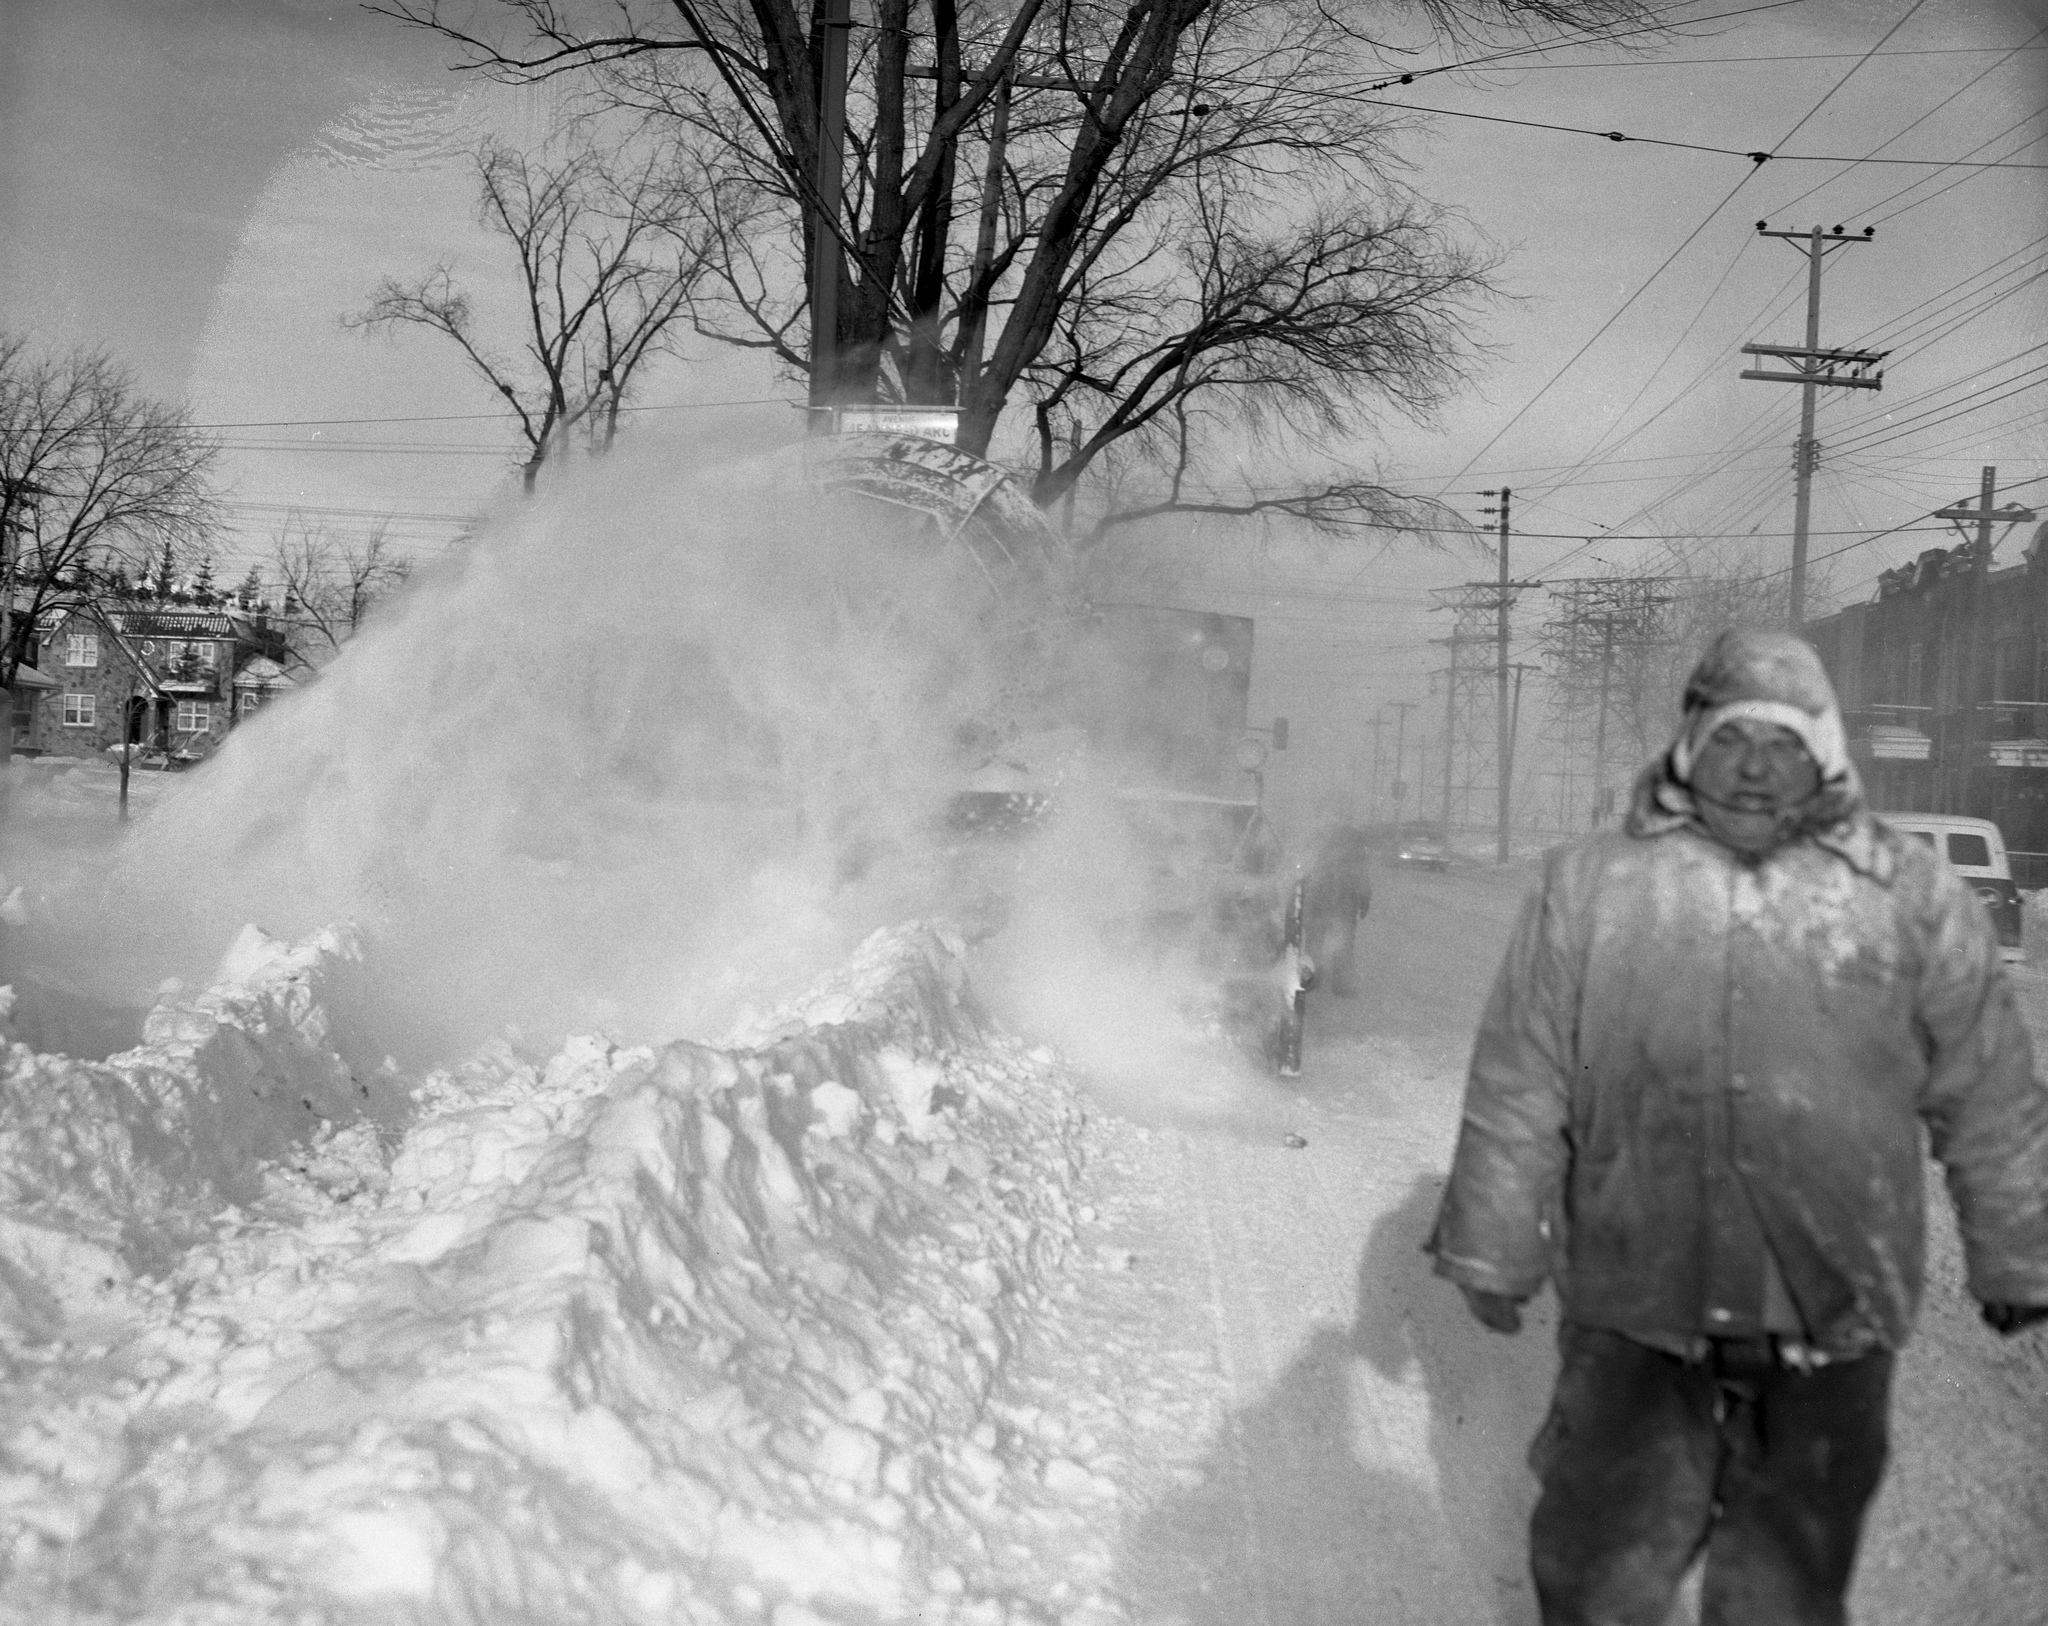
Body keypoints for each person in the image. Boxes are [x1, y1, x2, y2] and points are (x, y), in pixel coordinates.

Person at [1426, 627, 2048, 1626]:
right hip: (1638, 1303)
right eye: (1729, 738)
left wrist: (2016, 1255)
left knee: (1781, 1599)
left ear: (1825, 751)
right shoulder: (1592, 887)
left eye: (1782, 741)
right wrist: (1490, 1244)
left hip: (1831, 1314)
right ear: (1687, 744)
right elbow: (1522, 1076)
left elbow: (1989, 1088)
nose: (1754, 766)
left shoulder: (1905, 896)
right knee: (1596, 1582)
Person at [1304, 818, 1374, 998]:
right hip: (1343, 901)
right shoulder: (1355, 846)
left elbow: (1308, 871)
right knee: (1343, 941)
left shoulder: (1322, 841)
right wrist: (1364, 899)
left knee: (1316, 940)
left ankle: (1312, 979)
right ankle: (1341, 984)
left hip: (1320, 899)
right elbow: (1362, 876)